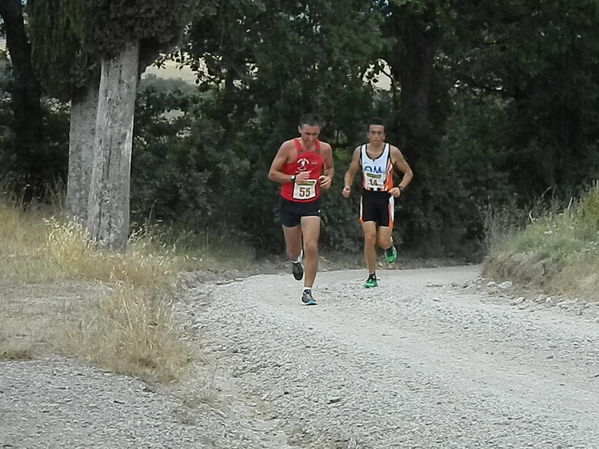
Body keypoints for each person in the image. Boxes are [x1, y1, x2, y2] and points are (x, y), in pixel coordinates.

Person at [268, 113, 334, 305]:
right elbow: (272, 173)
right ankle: (296, 262)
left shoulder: (325, 149)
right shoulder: (288, 147)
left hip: (312, 202)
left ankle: (308, 291)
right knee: (293, 250)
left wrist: (328, 178)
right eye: (307, 134)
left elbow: (329, 168)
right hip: (289, 202)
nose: (311, 138)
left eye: (315, 134)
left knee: (311, 246)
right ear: (299, 130)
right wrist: (293, 179)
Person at [341, 117, 413, 288]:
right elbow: (350, 172)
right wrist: (347, 186)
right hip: (367, 197)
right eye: (373, 132)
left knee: (382, 240)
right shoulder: (360, 152)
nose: (376, 136)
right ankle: (371, 275)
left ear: (384, 135)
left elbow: (408, 172)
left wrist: (400, 188)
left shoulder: (392, 152)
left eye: (379, 133)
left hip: (385, 198)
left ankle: (389, 246)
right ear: (368, 134)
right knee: (369, 237)